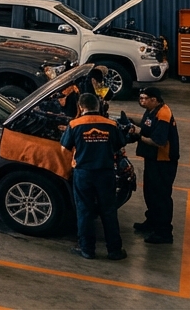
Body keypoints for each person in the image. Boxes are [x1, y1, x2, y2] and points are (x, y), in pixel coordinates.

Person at [60, 93, 126, 260]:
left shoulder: (74, 124)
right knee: (109, 211)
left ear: (81, 107)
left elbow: (63, 149)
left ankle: (87, 249)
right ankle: (115, 250)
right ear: (98, 106)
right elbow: (120, 145)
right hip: (106, 172)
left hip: (84, 173)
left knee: (85, 211)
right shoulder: (111, 124)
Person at [129, 86, 179, 244]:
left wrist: (138, 134)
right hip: (152, 160)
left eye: (144, 98)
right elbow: (147, 125)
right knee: (150, 192)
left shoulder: (163, 114)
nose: (141, 101)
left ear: (154, 99)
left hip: (163, 162)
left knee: (161, 196)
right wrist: (131, 120)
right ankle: (152, 221)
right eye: (141, 98)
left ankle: (164, 232)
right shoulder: (152, 110)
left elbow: (158, 141)